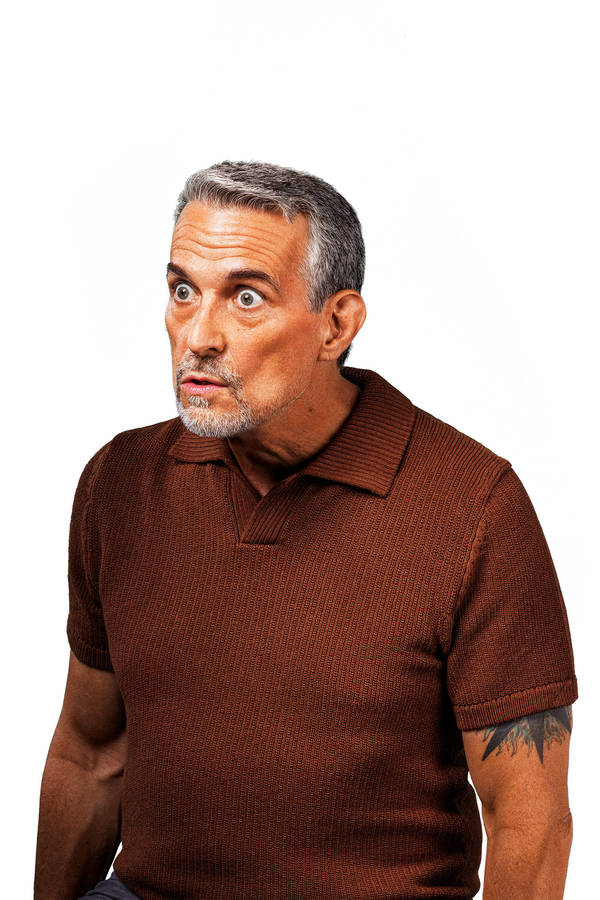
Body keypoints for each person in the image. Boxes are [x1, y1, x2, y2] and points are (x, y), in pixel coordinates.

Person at [34, 160, 578, 900]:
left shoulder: (472, 507)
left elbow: (528, 821)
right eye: (183, 290)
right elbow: (90, 753)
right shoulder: (120, 482)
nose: (198, 336)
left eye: (246, 297)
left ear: (336, 324)